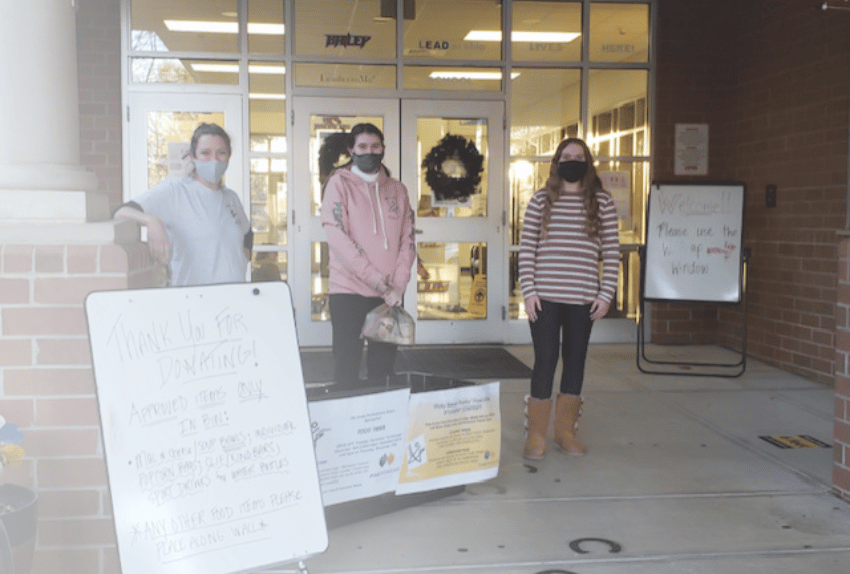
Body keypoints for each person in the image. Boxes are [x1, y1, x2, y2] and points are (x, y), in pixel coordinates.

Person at [518, 137, 620, 460]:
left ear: (587, 162)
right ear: (557, 162)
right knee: (545, 362)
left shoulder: (601, 202)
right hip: (545, 298)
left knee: (575, 362)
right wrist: (529, 291)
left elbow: (613, 252)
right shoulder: (539, 201)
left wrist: (606, 294)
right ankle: (536, 435)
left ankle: (565, 432)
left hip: (583, 299)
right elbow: (527, 250)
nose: (572, 161)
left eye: (578, 156)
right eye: (566, 156)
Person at [320, 123, 416, 388]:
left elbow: (407, 239)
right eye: (362, 147)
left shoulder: (398, 190)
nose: (369, 152)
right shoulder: (339, 184)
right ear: (351, 149)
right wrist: (378, 281)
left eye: (375, 147)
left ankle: (380, 425)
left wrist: (398, 285)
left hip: (388, 297)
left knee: (383, 371)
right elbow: (339, 239)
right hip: (348, 292)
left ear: (383, 149)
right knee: (346, 367)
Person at [114, 123, 252, 286]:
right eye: (205, 153)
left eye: (221, 153)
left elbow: (247, 232)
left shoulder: (231, 198)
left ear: (228, 156)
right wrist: (152, 221)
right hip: (193, 301)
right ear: (193, 156)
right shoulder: (175, 192)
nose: (214, 160)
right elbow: (120, 212)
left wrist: (245, 255)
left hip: (236, 298)